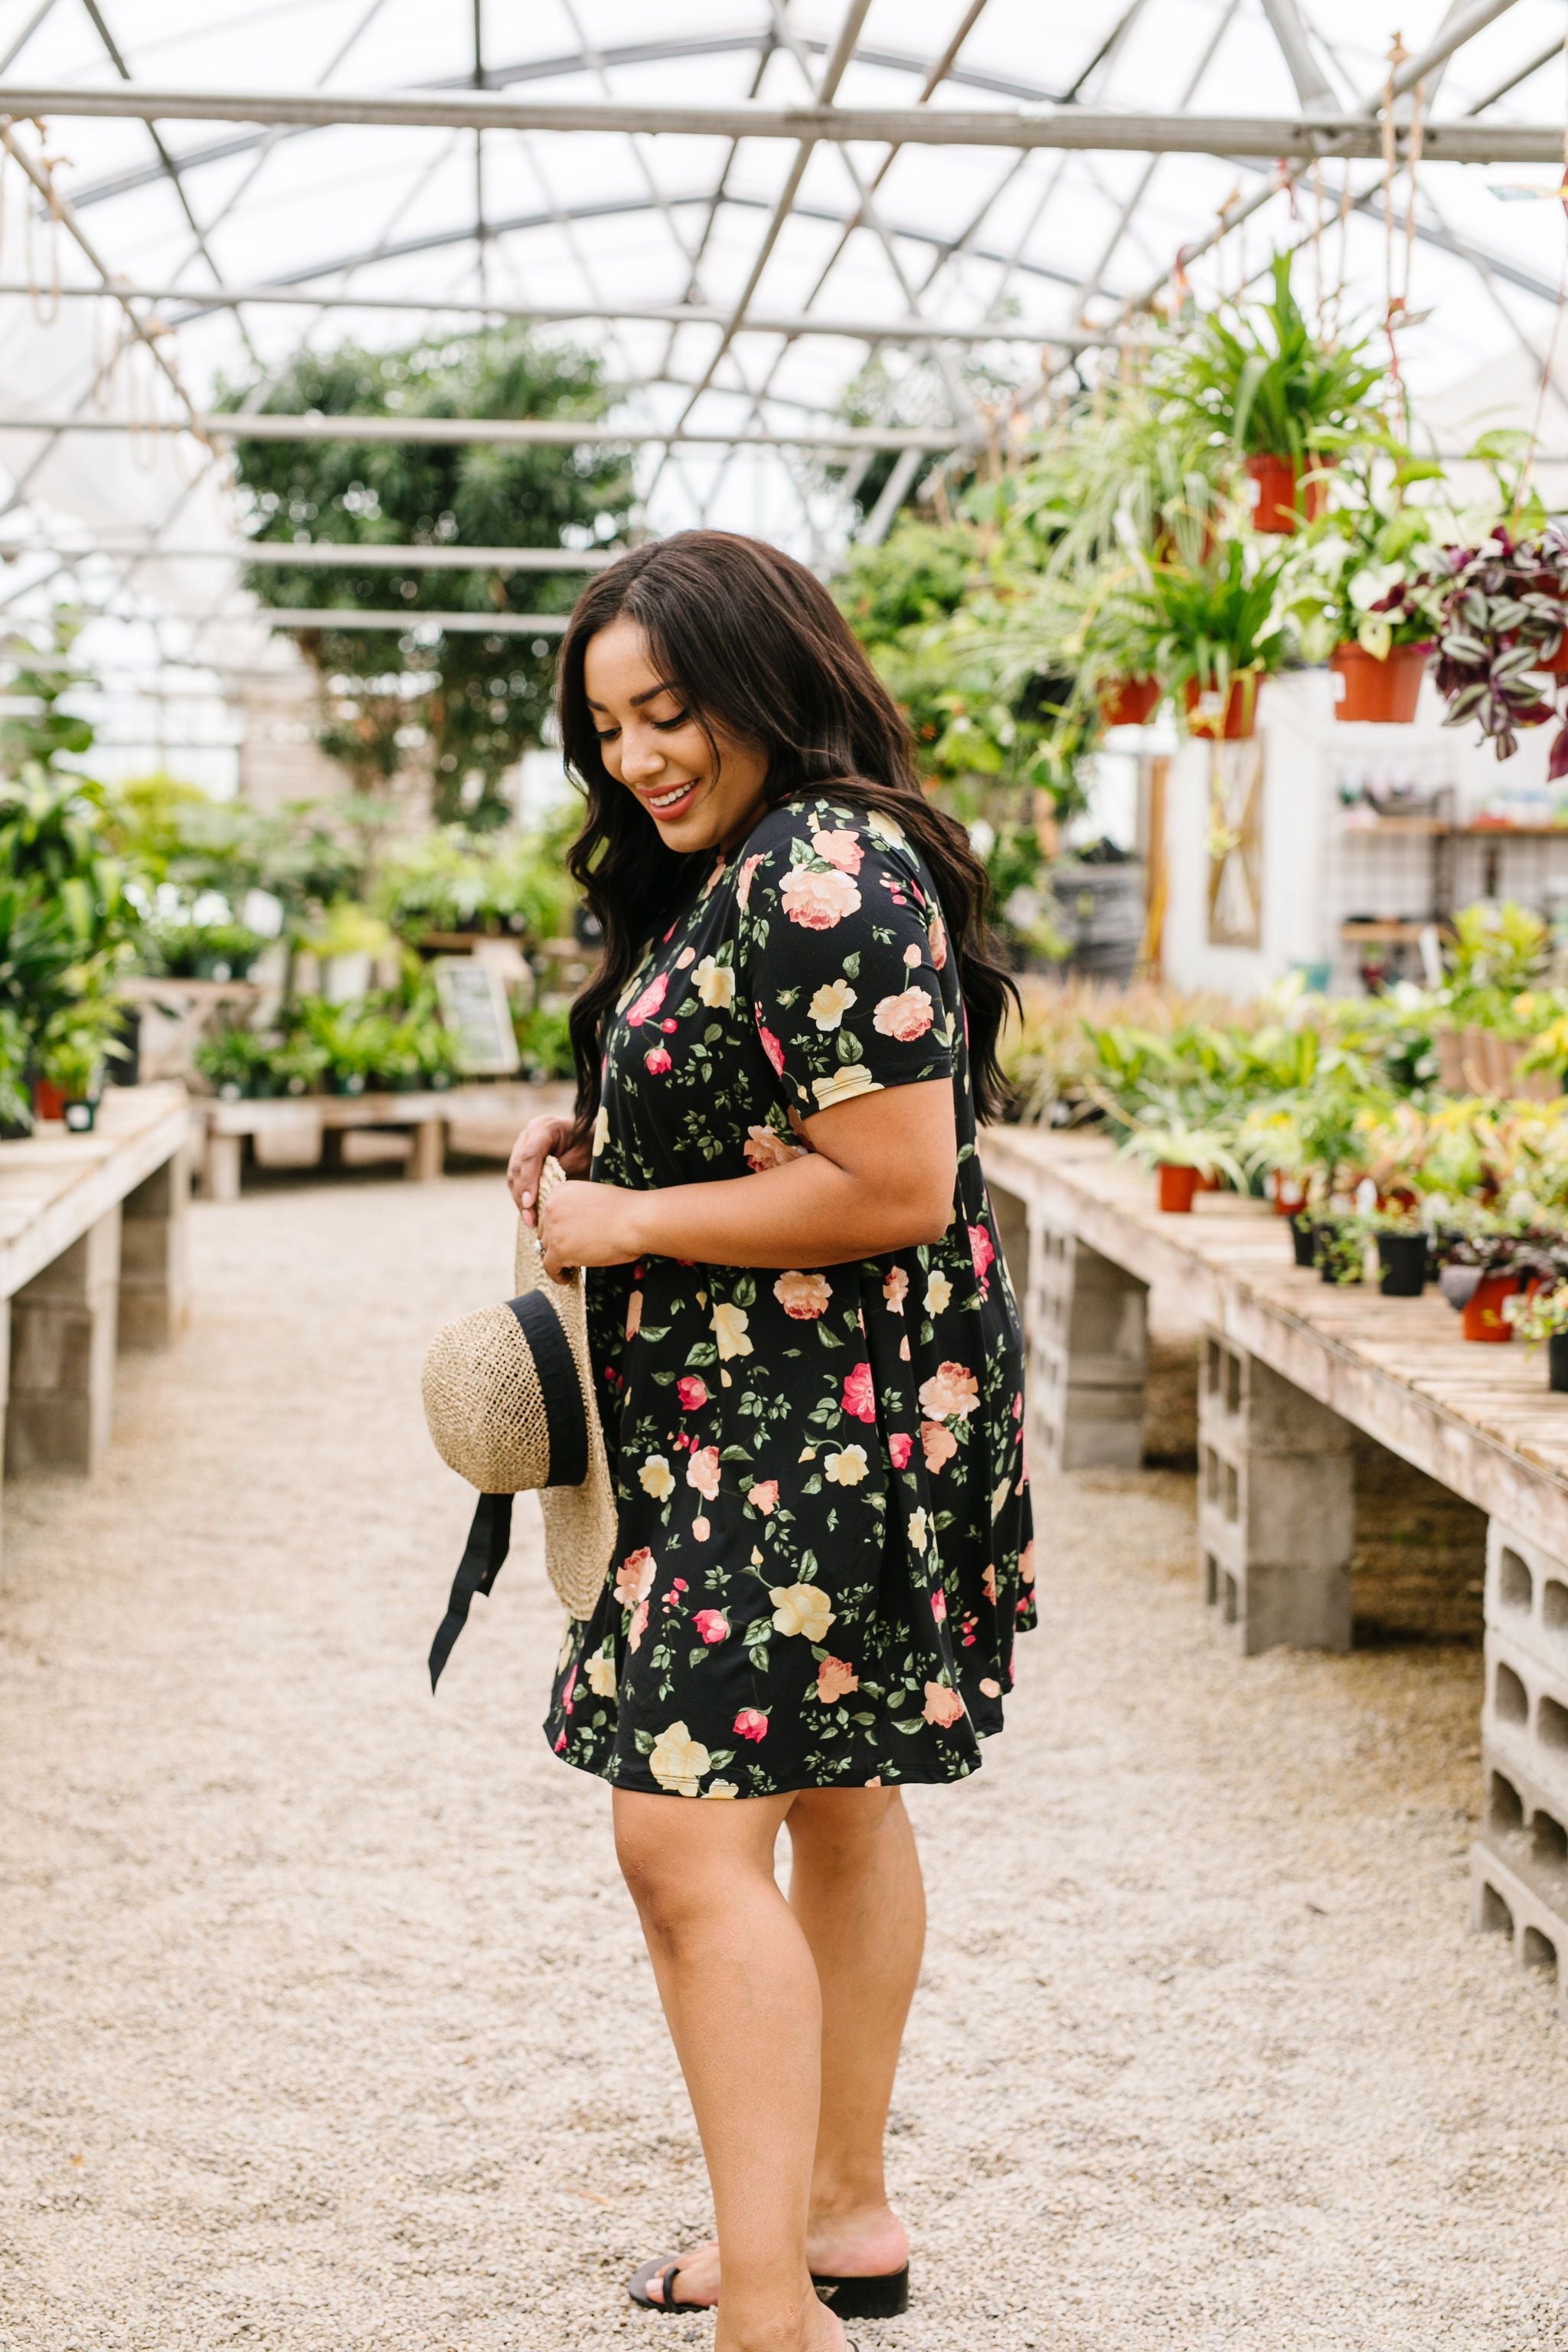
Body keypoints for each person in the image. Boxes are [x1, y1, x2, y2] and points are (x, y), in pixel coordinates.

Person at [507, 529, 1035, 2352]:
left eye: (669, 711)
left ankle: (768, 2310)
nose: (639, 755)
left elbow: (892, 1182)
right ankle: (834, 2222)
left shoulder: (817, 869)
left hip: (805, 1428)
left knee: (679, 1842)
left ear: (763, 680)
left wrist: (633, 1229)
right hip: (787, 1416)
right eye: (609, 727)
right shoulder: (761, 865)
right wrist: (603, 1151)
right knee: (830, 1790)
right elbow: (783, 1115)